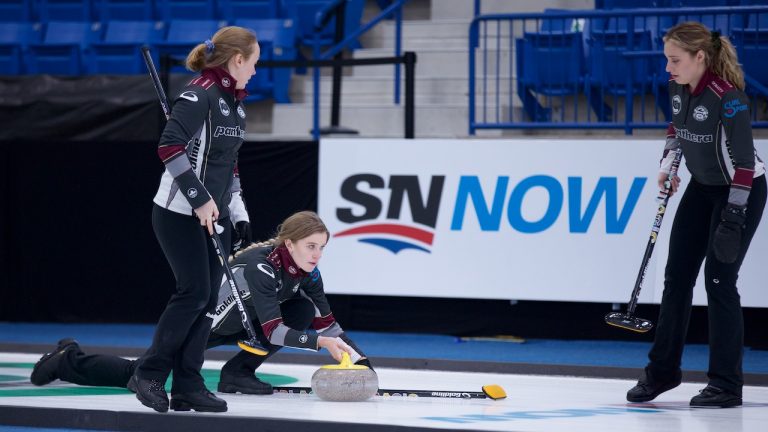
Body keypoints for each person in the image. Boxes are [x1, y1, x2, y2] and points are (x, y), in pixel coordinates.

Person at [30, 211, 371, 402]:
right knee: (142, 374)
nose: (317, 255)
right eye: (311, 246)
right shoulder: (262, 266)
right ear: (290, 243)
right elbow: (275, 332)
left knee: (303, 311)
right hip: (205, 324)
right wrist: (319, 344)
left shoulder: (308, 272)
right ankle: (67, 360)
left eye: (322, 248)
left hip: (246, 324)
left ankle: (237, 373)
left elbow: (329, 325)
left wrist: (362, 364)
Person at [626, 22, 766, 408]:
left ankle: (726, 384)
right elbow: (677, 127)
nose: (668, 68)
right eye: (666, 59)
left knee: (719, 281)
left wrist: (734, 217)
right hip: (701, 189)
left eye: (674, 60)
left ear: (699, 57)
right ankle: (662, 373)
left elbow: (742, 164)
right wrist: (669, 163)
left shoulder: (730, 98)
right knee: (676, 278)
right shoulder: (676, 87)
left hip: (740, 191)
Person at [134, 26, 260, 413]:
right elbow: (169, 147)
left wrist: (237, 213)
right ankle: (150, 374)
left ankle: (188, 385)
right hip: (177, 213)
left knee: (208, 301)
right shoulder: (199, 94)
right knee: (193, 294)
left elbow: (228, 163)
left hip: (215, 216)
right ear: (237, 60)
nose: (255, 71)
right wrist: (199, 198)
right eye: (254, 63)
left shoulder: (235, 104)